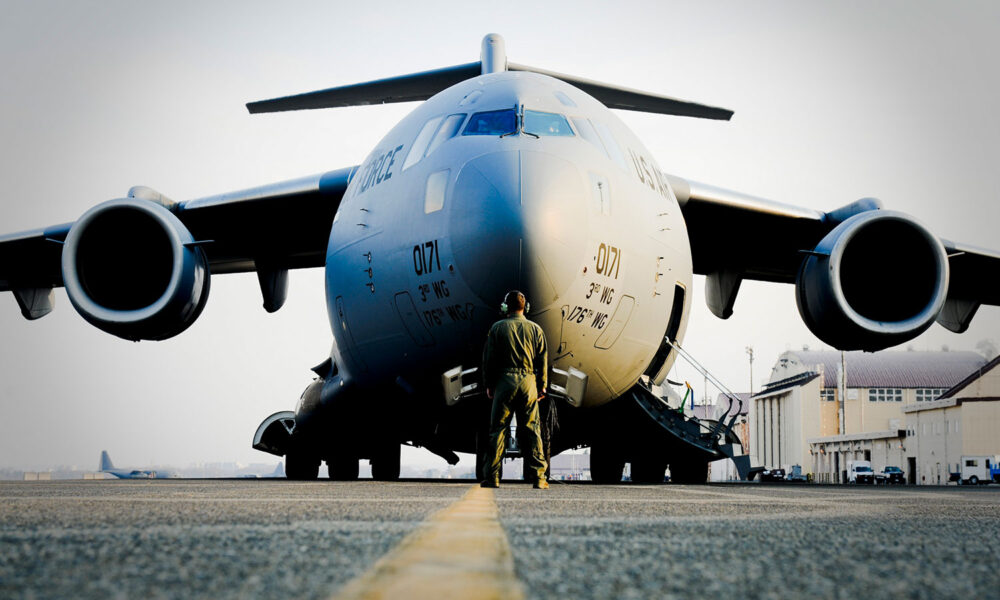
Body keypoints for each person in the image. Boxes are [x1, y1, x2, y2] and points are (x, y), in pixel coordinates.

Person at [481, 290, 549, 489]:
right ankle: (539, 478)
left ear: (505, 307)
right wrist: (542, 385)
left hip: (504, 382)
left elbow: (489, 360)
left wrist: (489, 384)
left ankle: (492, 477)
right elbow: (542, 359)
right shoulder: (536, 329)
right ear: (525, 307)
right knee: (532, 430)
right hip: (528, 382)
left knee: (497, 430)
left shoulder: (497, 328)